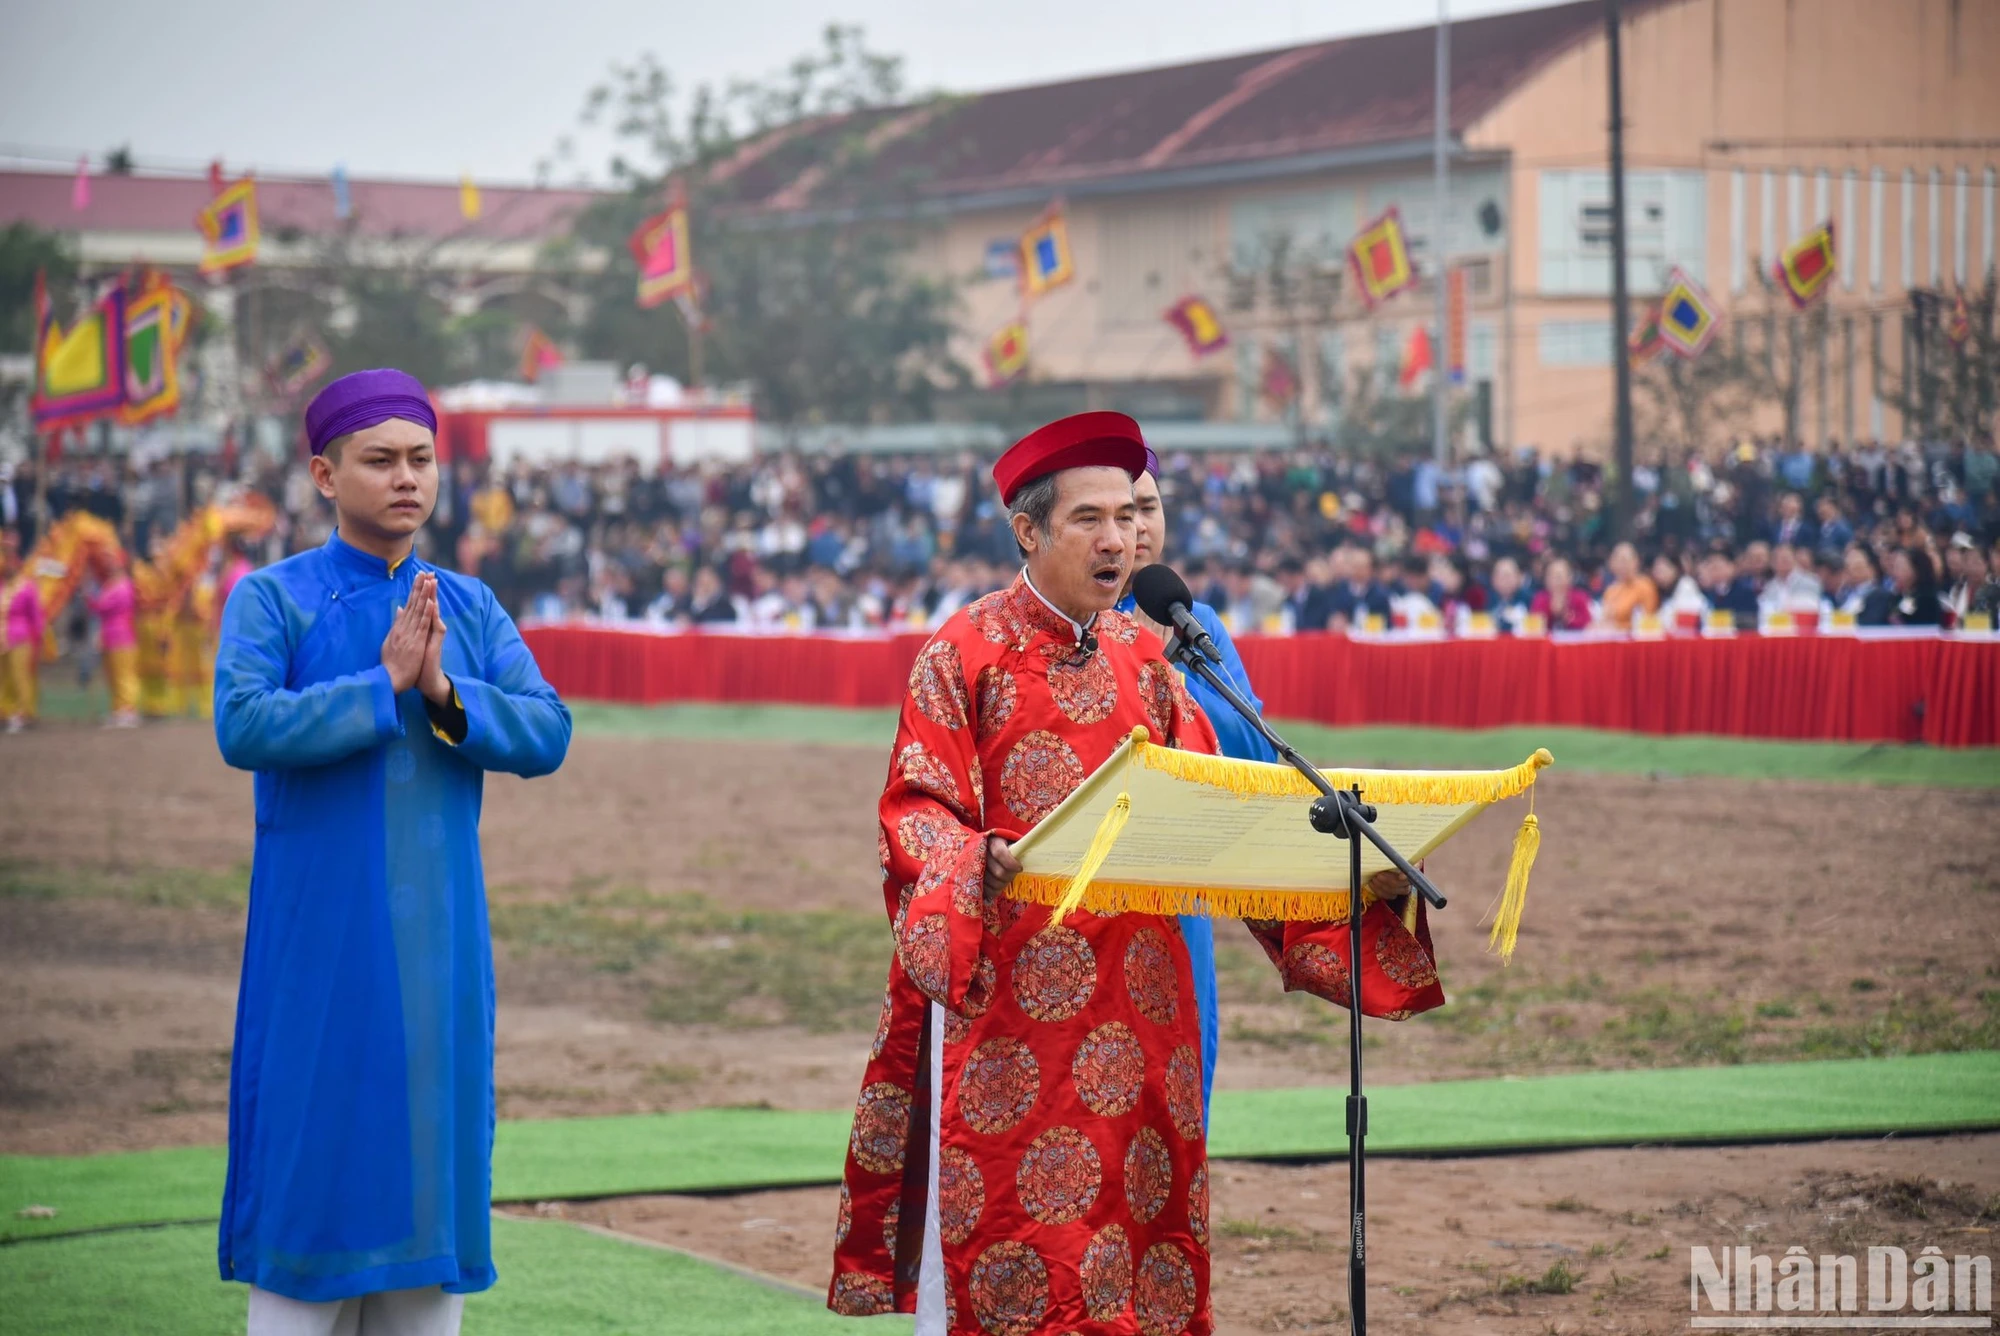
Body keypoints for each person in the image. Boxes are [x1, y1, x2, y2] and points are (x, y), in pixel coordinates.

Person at [828, 412, 1441, 1335]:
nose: (1118, 539)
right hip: (1012, 1020)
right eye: (1090, 520)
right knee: (1016, 1253)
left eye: (1128, 516)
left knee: (1139, 1256)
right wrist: (970, 860)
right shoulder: (961, 654)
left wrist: (1349, 875)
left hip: (1145, 1014)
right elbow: (916, 808)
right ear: (1028, 531)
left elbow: (1223, 813)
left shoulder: (1153, 655)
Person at [213, 369, 572, 1336]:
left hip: (436, 958)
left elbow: (548, 731)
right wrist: (380, 690)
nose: (406, 478)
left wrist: (447, 698)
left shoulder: (470, 603)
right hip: (317, 952)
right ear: (326, 475)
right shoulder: (272, 600)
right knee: (310, 1170)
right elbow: (241, 724)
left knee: (428, 1196)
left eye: (420, 459)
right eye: (381, 460)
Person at [1117, 451, 1279, 1135]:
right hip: (1080, 891)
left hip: (1175, 893)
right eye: (1119, 514)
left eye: (1147, 509)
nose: (1137, 529)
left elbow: (1258, 758)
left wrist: (1179, 685)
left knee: (1177, 1090)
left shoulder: (1193, 621)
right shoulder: (1055, 629)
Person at [85, 548, 140, 727]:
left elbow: (101, 606)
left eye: (112, 560)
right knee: (113, 675)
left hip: (122, 636)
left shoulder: (124, 586)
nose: (109, 564)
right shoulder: (110, 584)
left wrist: (88, 596)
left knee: (124, 674)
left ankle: (128, 709)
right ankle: (118, 708)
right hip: (109, 636)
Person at [1, 533, 42, 733]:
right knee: (3, 678)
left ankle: (23, 713)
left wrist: (37, 639)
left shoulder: (27, 586)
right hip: (2, 639)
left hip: (20, 637)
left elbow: (36, 616)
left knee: (20, 676)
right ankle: (5, 712)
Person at [1596, 541, 1659, 630]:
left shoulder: (1645, 586)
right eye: (1617, 560)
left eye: (1625, 560)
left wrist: (1618, 628)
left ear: (1636, 561)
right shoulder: (1611, 590)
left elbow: (1647, 622)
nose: (1622, 565)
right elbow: (1604, 619)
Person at [1528, 556, 1592, 631]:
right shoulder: (1540, 598)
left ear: (1569, 577)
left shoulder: (1580, 597)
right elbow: (1535, 627)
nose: (1555, 580)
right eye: (1551, 576)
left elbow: (1587, 623)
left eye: (1559, 576)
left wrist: (1566, 617)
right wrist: (1551, 611)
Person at [1886, 546, 1944, 626]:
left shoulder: (1928, 599)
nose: (1895, 572)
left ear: (1916, 569)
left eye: (1900, 566)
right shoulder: (1896, 597)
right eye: (1894, 567)